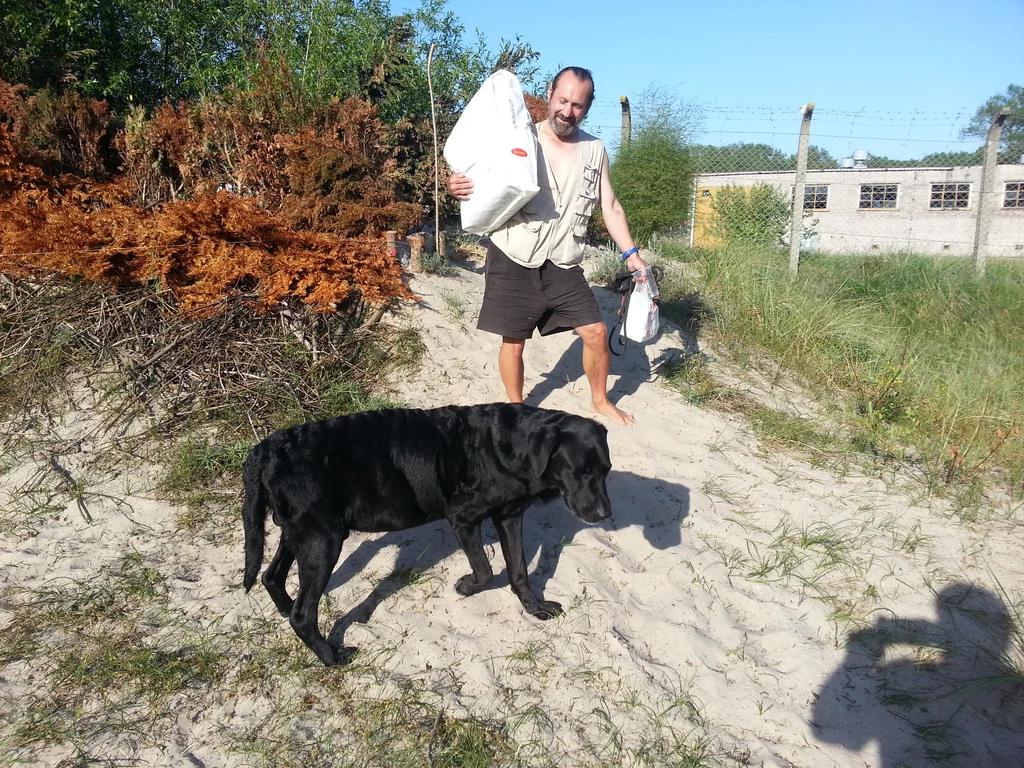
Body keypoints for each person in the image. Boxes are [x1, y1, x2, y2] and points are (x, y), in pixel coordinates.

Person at [448, 66, 649, 426]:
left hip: (563, 261)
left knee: (596, 331)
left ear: (588, 108)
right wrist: (458, 184)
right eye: (562, 100)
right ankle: (516, 406)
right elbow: (474, 174)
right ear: (549, 94)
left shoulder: (595, 149)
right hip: (513, 251)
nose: (566, 111)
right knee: (514, 341)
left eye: (577, 105)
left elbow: (611, 206)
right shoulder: (518, 138)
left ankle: (600, 400)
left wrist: (630, 253)